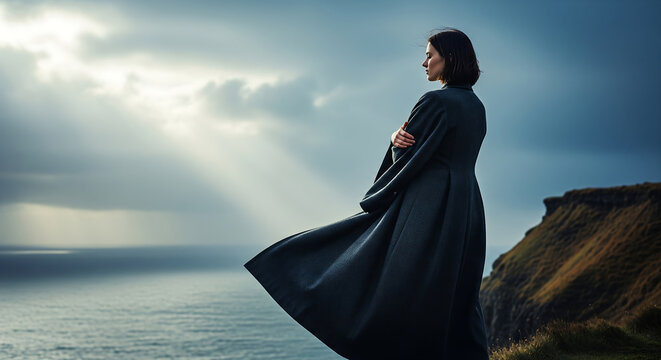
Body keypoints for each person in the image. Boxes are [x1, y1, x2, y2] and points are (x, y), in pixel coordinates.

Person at [244, 27, 489, 359]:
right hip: (466, 205)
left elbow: (409, 154)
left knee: (400, 282)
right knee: (455, 290)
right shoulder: (476, 105)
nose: (424, 62)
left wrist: (392, 140)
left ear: (450, 59)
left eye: (430, 55)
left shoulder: (434, 101)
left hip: (429, 205)